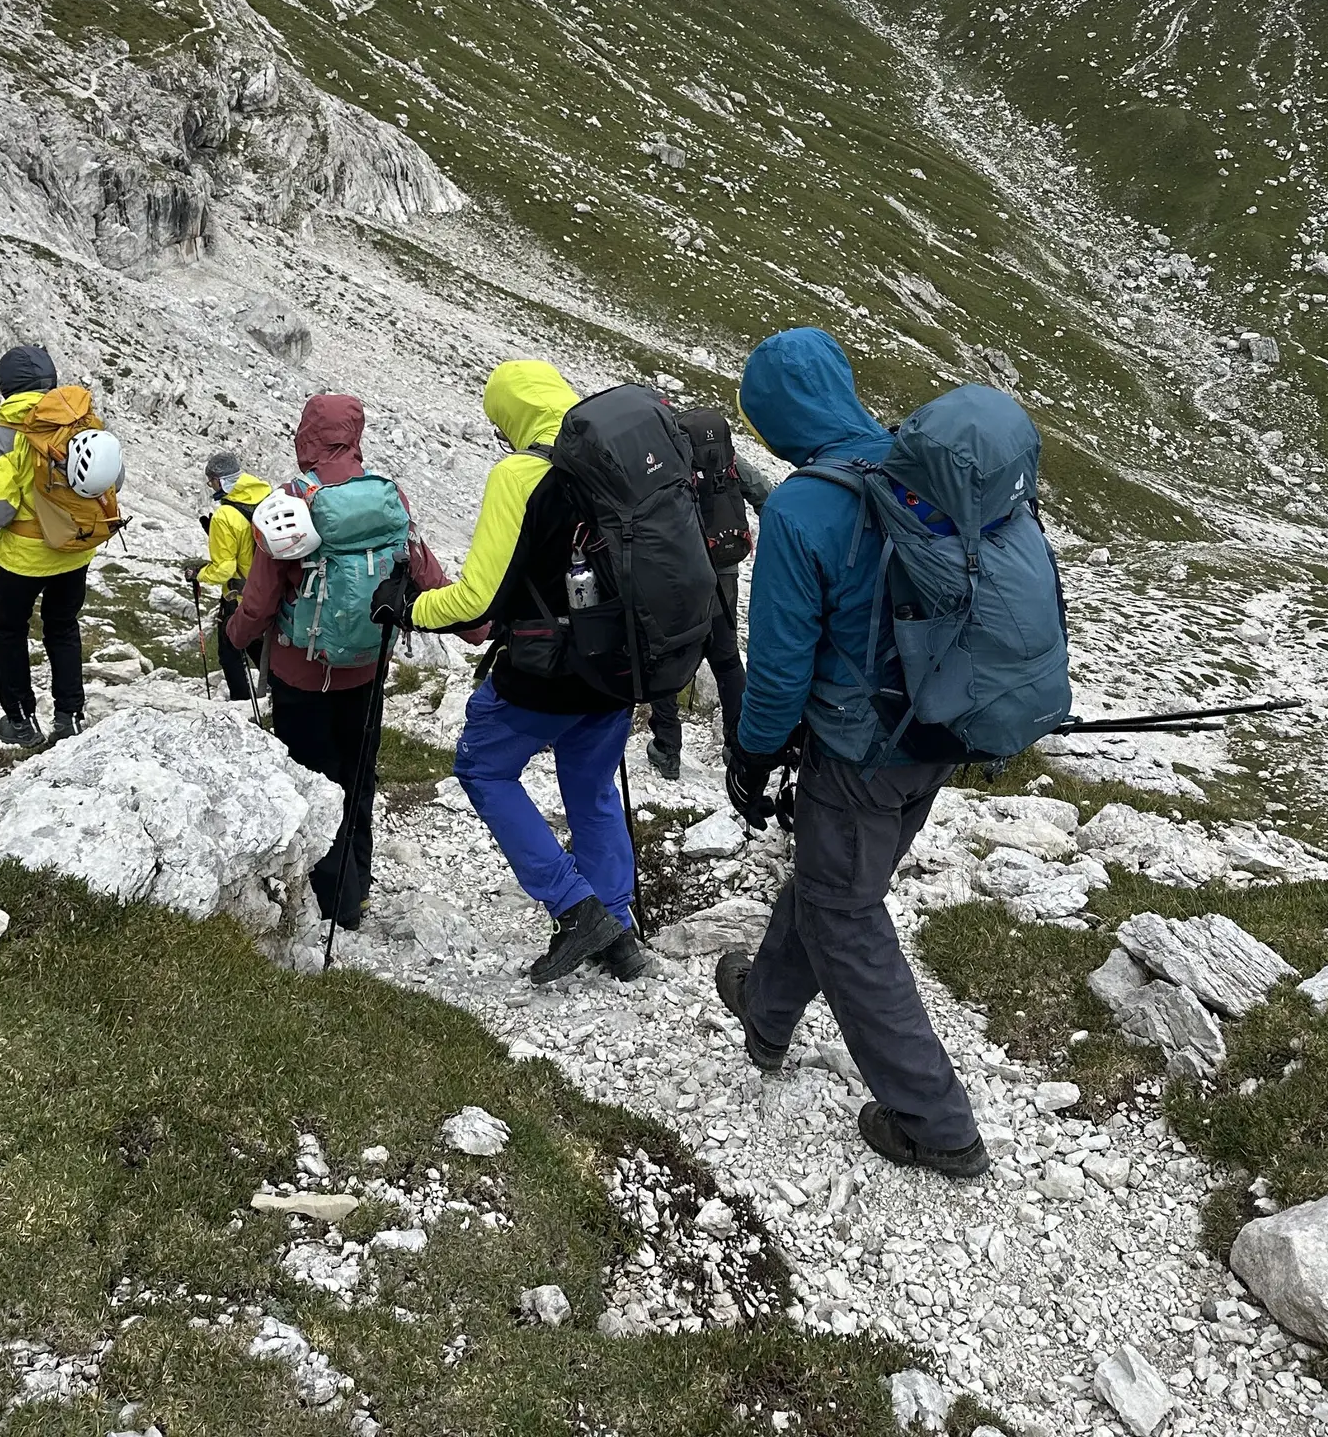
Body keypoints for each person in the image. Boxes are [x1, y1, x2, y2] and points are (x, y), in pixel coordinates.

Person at [716, 327, 990, 1179]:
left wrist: (753, 756)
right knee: (837, 880)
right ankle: (765, 1012)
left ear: (775, 420)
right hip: (940, 732)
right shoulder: (924, 466)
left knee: (845, 911)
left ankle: (936, 1123)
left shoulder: (804, 505)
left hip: (857, 750)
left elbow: (781, 669)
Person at [383, 359, 644, 987]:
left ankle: (573, 906)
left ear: (513, 414)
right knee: (592, 787)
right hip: (620, 669)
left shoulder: (521, 474)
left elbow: (476, 600)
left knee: (483, 768)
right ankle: (619, 932)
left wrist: (410, 609)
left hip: (544, 671)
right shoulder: (626, 462)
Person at [226, 393, 447, 928]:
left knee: (312, 778)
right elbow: (423, 571)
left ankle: (331, 897)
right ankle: (360, 886)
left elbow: (260, 600)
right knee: (357, 774)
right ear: (356, 436)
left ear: (307, 437)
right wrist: (484, 624)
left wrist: (234, 637)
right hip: (367, 669)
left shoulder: (288, 506)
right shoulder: (390, 498)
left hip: (301, 673)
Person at [0, 342, 94, 749]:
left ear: (6, 387)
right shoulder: (82, 420)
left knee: (10, 631)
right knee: (63, 628)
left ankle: (21, 721)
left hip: (22, 558)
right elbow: (113, 480)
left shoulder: (7, 432)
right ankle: (71, 716)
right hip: (75, 550)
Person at [644, 449, 771, 781]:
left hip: (676, 573)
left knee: (667, 654)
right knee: (727, 657)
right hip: (723, 570)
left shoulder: (655, 454)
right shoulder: (716, 449)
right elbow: (762, 490)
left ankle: (667, 748)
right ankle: (738, 746)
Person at [185, 446, 270, 700]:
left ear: (220, 480)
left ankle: (241, 703)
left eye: (211, 481)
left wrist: (198, 575)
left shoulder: (224, 515)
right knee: (257, 643)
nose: (211, 487)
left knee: (229, 650)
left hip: (240, 595)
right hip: (268, 589)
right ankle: (277, 692)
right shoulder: (264, 494)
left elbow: (224, 570)